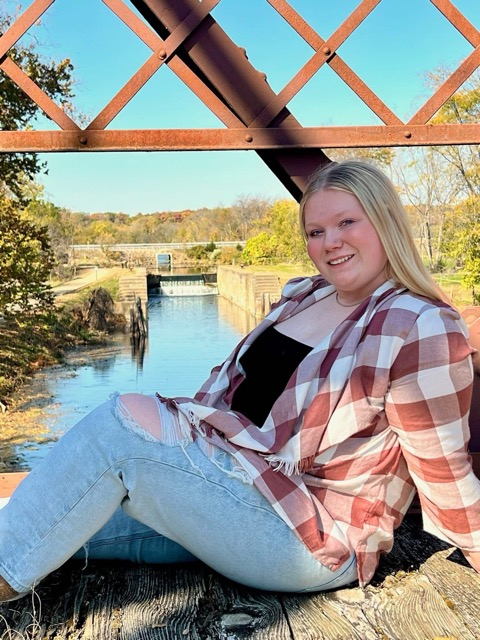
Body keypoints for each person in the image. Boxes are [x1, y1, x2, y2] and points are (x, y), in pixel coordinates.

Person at [1, 159, 479, 602]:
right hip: (236, 489)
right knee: (46, 519)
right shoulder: (305, 295)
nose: (329, 242)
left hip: (312, 537)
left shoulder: (418, 324)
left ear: (386, 220)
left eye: (346, 222)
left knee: (119, 430)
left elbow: (444, 468)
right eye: (315, 231)